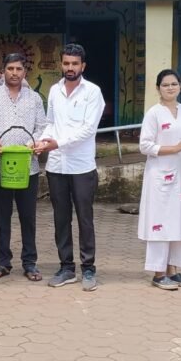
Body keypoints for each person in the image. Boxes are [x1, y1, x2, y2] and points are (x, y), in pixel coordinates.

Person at [34, 43, 105, 291]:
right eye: (66, 63)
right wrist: (42, 141)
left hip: (82, 166)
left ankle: (88, 268)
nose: (70, 68)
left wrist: (58, 143)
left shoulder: (93, 92)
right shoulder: (54, 90)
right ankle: (66, 268)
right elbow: (50, 122)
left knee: (85, 218)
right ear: (61, 64)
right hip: (56, 166)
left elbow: (88, 129)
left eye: (75, 64)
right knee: (60, 218)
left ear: (83, 66)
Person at [0, 53, 47, 282]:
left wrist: (33, 143)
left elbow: (41, 127)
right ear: (3, 71)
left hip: (28, 166)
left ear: (25, 72)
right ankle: (3, 262)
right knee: (2, 215)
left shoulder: (34, 98)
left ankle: (30, 263)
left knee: (28, 216)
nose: (14, 73)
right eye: (10, 68)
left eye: (18, 69)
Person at [137, 69, 181, 290]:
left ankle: (174, 270)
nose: (170, 88)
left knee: (179, 220)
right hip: (160, 176)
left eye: (174, 84)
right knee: (160, 222)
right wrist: (174, 148)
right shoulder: (154, 113)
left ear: (180, 86)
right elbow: (145, 146)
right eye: (165, 85)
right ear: (158, 88)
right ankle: (158, 273)